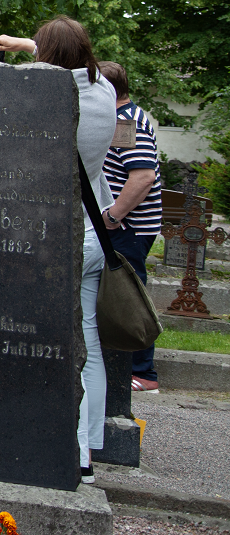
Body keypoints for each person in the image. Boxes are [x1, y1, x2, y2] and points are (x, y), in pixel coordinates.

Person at [0, 16, 115, 484]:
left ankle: (69, 451)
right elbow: (73, 61)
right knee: (88, 346)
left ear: (49, 56)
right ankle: (89, 447)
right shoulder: (103, 89)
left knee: (52, 348)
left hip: (56, 238)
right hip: (94, 229)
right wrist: (26, 44)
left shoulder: (49, 97)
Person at [98, 60, 164, 393]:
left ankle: (143, 371)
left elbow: (143, 176)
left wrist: (113, 217)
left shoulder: (125, 123)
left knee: (128, 296)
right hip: (129, 226)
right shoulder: (123, 117)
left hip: (128, 228)